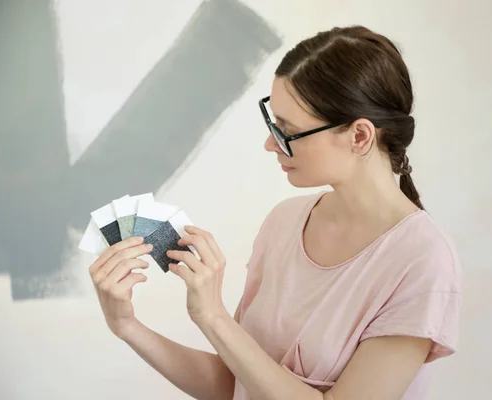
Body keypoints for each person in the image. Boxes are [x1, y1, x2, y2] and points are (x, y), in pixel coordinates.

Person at [88, 25, 462, 400]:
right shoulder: (284, 221)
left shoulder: (422, 260)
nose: (270, 144)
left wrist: (213, 316)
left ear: (359, 136)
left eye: (288, 131)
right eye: (272, 123)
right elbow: (234, 384)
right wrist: (127, 325)